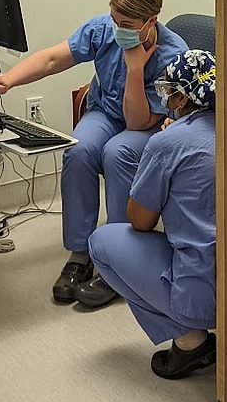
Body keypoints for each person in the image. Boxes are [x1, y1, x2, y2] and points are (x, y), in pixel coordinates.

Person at [0, 0, 187, 307]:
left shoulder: (173, 55)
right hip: (105, 112)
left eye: (127, 23)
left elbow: (137, 121)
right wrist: (9, 80)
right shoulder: (104, 30)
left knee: (118, 154)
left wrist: (135, 69)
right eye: (115, 19)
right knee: (80, 149)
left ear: (151, 22)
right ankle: (81, 253)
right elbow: (52, 58)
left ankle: (117, 261)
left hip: (148, 125)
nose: (118, 28)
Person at [88, 50, 217, 380]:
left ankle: (190, 341)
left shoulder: (168, 142)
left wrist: (161, 145)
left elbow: (140, 220)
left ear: (179, 95)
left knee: (101, 242)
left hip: (199, 294)